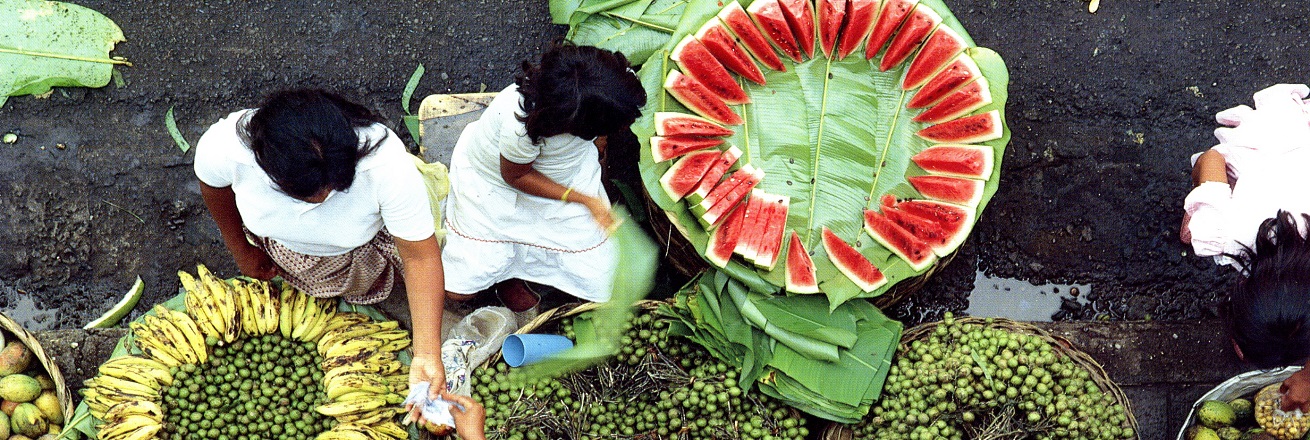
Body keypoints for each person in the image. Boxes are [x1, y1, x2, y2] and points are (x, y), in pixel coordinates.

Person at [193, 89, 448, 397]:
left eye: (334, 185)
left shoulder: (386, 168)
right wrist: (241, 249)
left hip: (363, 252)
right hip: (289, 251)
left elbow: (420, 258)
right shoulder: (226, 150)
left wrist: (426, 355)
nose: (323, 198)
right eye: (307, 193)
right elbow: (214, 190)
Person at [440, 42, 646, 314]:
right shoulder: (521, 127)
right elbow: (516, 175)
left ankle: (518, 269)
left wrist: (600, 143)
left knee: (601, 278)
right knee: (458, 291)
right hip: (499, 189)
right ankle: (505, 277)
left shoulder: (590, 95)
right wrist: (584, 199)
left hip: (566, 171)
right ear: (575, 123)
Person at [1181, 83, 1310, 411]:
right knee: (1191, 230)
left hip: (1299, 154)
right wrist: (1197, 205)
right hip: (1274, 143)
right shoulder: (1227, 232)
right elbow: (1212, 159)